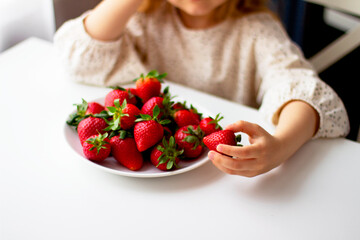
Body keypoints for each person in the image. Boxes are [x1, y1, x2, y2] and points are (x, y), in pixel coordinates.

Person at [54, 0, 350, 177]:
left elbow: (303, 88)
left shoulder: (256, 30)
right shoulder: (143, 19)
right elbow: (77, 56)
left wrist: (281, 145)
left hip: (220, 179)